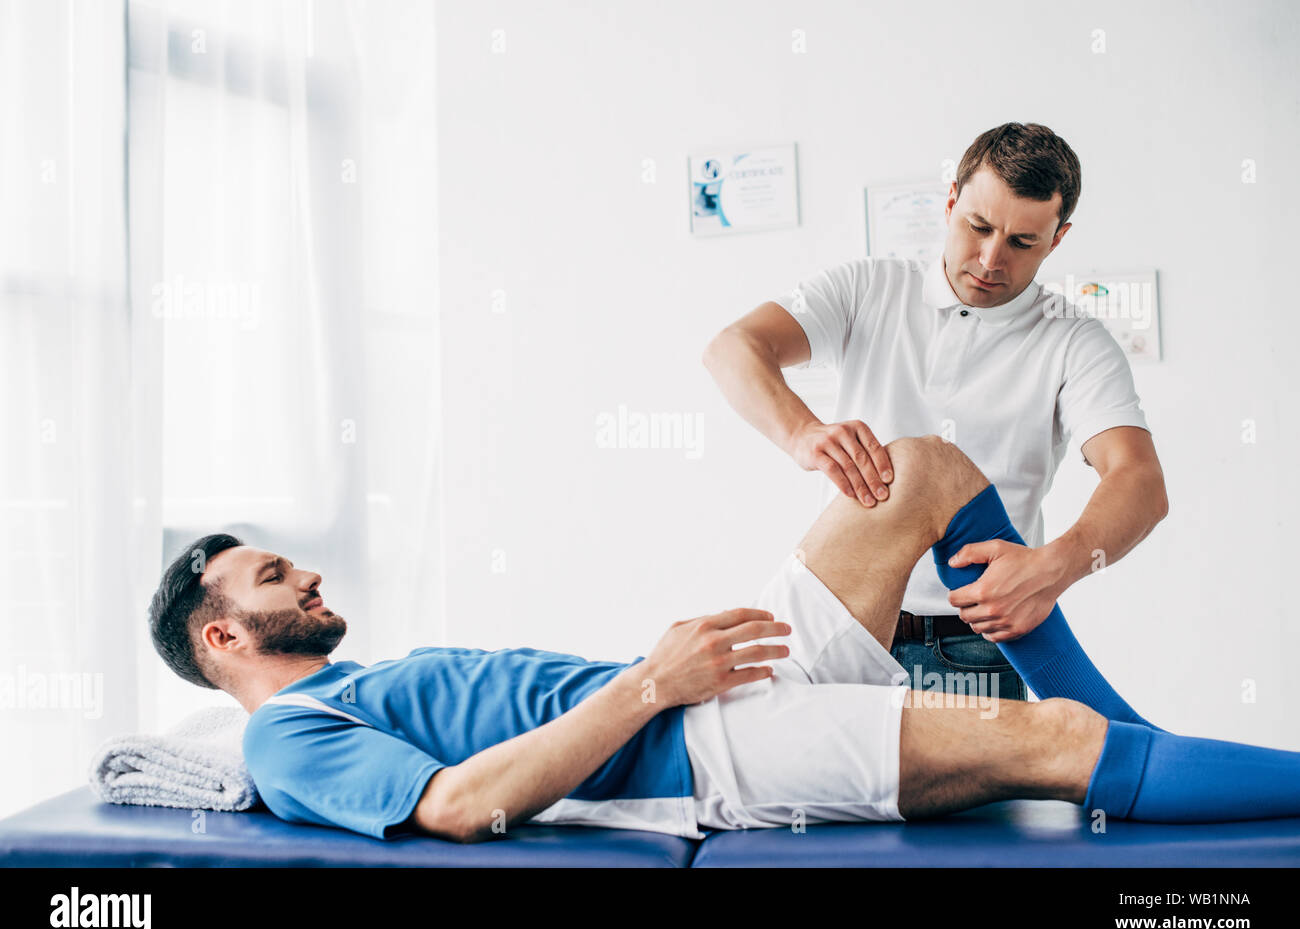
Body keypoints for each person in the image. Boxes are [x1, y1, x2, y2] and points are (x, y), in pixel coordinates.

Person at [148, 435, 1300, 844]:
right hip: (706, 753)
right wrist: (653, 686)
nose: (303, 573)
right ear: (223, 633)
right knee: (1053, 739)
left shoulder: (363, 676)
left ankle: (1140, 746)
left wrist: (673, 673)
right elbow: (455, 806)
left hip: (716, 681)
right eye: (270, 577)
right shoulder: (289, 735)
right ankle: (1128, 752)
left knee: (922, 471)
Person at [702, 121, 1169, 704]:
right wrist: (802, 432)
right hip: (839, 625)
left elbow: (1140, 481)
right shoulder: (869, 288)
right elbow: (733, 347)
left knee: (984, 802)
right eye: (978, 226)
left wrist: (1057, 567)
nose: (991, 259)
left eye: (1023, 243)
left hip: (973, 646)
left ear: (1057, 239)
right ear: (950, 202)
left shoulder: (1074, 341)